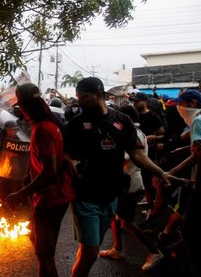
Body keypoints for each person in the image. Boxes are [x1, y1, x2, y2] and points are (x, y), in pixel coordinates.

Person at [64, 77, 178, 277]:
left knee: (89, 249)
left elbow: (136, 154)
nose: (79, 101)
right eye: (77, 97)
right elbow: (66, 156)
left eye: (82, 97)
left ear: (99, 95)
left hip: (111, 196)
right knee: (90, 253)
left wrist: (160, 172)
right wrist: (73, 171)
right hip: (86, 197)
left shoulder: (122, 121)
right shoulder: (76, 124)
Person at [5, 83, 75, 277]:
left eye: (20, 106)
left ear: (26, 106)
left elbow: (50, 171)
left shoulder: (43, 128)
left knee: (44, 253)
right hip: (53, 196)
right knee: (38, 243)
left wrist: (20, 194)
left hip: (51, 198)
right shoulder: (50, 123)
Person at [98, 104, 164, 272]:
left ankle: (154, 252)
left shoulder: (131, 133)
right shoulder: (136, 132)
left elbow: (123, 158)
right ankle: (117, 248)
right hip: (125, 181)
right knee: (115, 215)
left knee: (127, 223)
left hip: (129, 183)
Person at [165, 90, 201, 276]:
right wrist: (181, 149)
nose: (179, 109)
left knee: (191, 229)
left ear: (192, 103)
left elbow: (198, 154)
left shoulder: (198, 121)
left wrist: (170, 172)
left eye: (181, 104)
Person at [130, 92, 165, 211]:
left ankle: (152, 204)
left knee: (147, 177)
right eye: (133, 101)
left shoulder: (153, 116)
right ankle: (148, 201)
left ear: (145, 102)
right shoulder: (133, 116)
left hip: (147, 152)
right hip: (134, 151)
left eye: (137, 101)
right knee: (139, 177)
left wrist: (151, 138)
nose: (134, 103)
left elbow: (162, 134)